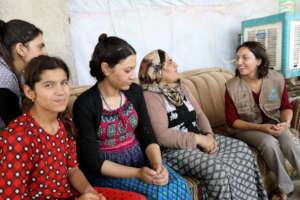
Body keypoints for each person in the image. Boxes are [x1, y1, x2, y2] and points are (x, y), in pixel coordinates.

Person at [0, 55, 146, 200]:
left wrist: (90, 192)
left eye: (64, 83)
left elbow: (72, 169)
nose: (61, 91)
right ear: (29, 92)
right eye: (49, 85)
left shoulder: (64, 122)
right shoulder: (17, 137)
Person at [73, 33, 191, 200]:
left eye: (133, 69)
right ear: (106, 68)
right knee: (161, 194)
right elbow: (91, 161)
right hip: (108, 173)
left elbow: (147, 134)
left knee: (179, 186)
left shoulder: (134, 92)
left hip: (140, 161)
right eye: (127, 70)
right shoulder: (85, 104)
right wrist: (137, 173)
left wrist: (158, 166)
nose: (133, 76)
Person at [139, 49, 268, 200]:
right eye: (169, 62)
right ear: (157, 71)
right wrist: (200, 140)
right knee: (216, 169)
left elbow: (200, 115)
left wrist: (209, 135)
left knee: (242, 150)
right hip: (173, 151)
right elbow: (162, 136)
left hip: (199, 139)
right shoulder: (150, 96)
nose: (176, 65)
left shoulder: (180, 88)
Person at [225, 41, 300, 200]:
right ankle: (284, 189)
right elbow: (232, 121)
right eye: (237, 58)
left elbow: (286, 107)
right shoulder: (231, 86)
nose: (239, 62)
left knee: (289, 140)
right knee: (269, 143)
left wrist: (285, 124)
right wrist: (262, 128)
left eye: (245, 58)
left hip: (273, 124)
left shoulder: (276, 79)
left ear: (258, 61)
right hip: (245, 128)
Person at [0, 19, 48, 132]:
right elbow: (17, 132)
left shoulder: (20, 73)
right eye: (40, 47)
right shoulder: (4, 81)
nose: (45, 53)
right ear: (21, 49)